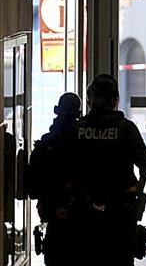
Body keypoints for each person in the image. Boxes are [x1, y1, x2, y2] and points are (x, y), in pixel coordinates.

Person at [69, 74, 146, 266]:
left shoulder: (77, 128)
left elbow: (66, 165)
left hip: (83, 209)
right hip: (120, 209)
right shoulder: (125, 128)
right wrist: (138, 186)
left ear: (90, 100)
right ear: (115, 100)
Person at [28, 93, 81, 266]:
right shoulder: (83, 141)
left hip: (52, 215)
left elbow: (33, 188)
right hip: (79, 215)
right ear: (78, 113)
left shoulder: (46, 143)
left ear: (57, 111)